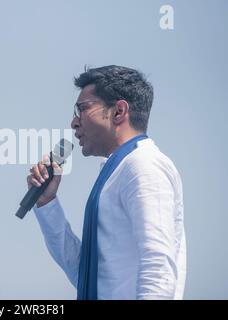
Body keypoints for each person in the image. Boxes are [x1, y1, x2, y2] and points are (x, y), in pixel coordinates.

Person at [27, 65, 186, 300]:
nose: (74, 122)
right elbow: (87, 276)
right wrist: (46, 202)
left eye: (82, 109)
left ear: (118, 111)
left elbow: (158, 266)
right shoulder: (116, 171)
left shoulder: (143, 165)